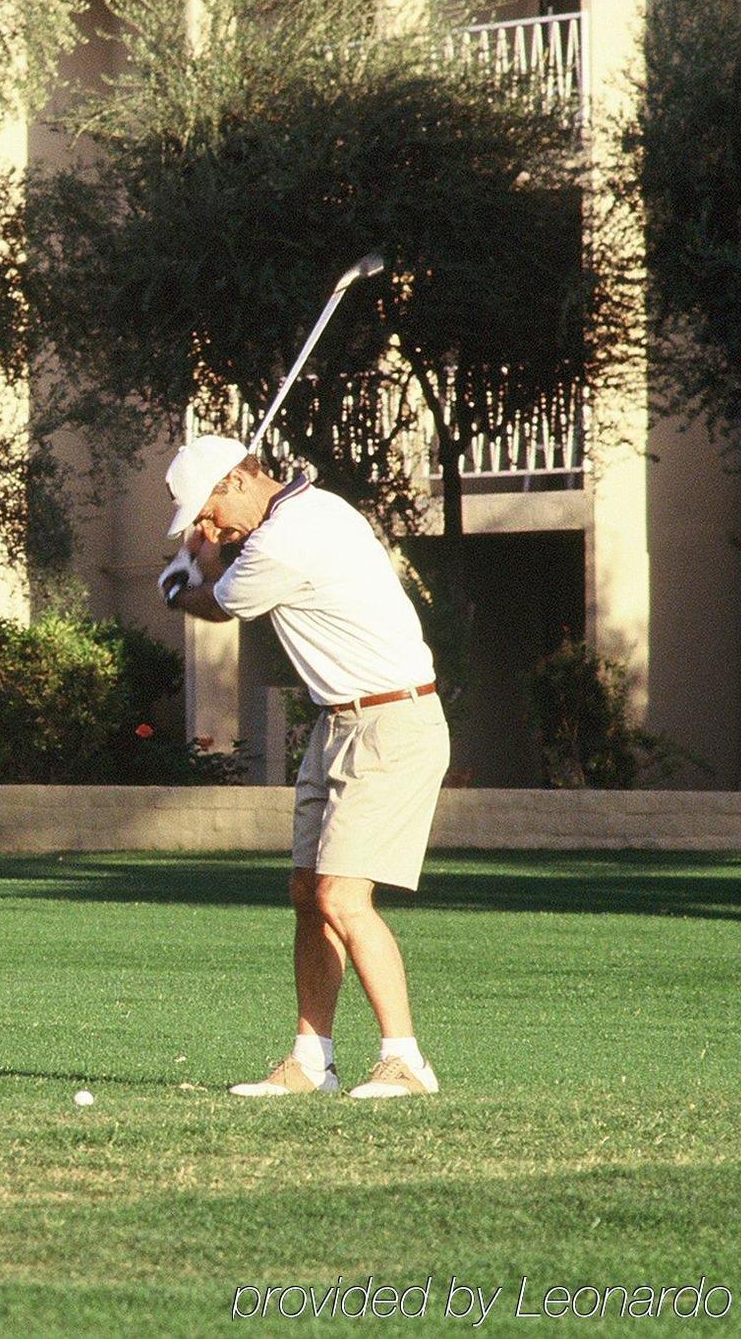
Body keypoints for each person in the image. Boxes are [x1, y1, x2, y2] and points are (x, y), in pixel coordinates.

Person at [159, 435, 450, 1099]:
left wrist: (180, 582)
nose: (207, 527)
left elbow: (218, 604)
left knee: (341, 896)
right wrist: (201, 561)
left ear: (238, 479)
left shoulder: (289, 539)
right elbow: (229, 569)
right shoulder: (296, 518)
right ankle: (310, 1060)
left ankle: (405, 1059)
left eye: (207, 512)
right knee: (305, 892)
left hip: (391, 724)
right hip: (337, 722)